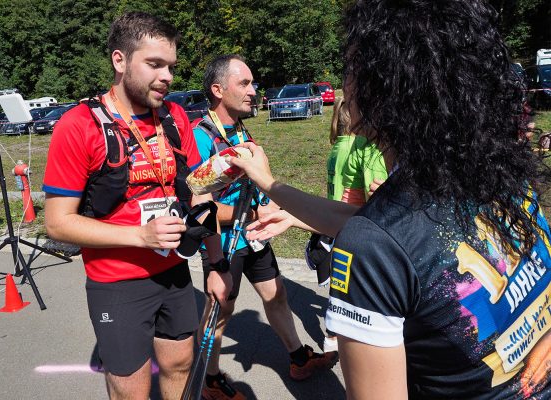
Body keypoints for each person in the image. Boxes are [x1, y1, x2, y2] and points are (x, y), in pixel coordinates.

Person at [228, 1, 551, 398]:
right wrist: (272, 186)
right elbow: (393, 234)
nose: (345, 85)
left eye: (350, 69)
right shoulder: (497, 172)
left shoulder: (374, 245)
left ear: (382, 87)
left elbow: (383, 239)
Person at [42, 12, 231, 400]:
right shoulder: (78, 125)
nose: (168, 76)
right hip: (116, 282)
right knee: (131, 389)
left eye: (172, 67)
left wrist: (217, 264)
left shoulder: (175, 118)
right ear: (119, 60)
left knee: (180, 365)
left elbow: (199, 196)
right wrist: (139, 235)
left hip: (174, 271)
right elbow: (58, 224)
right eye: (155, 64)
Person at [191, 54, 337, 400]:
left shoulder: (240, 128)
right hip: (223, 243)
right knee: (219, 314)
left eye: (252, 83)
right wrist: (253, 219)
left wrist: (270, 210)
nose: (254, 91)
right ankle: (210, 382)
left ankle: (298, 358)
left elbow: (249, 185)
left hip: (253, 235)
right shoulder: (201, 137)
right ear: (218, 89)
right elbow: (200, 207)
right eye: (245, 83)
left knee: (277, 294)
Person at [318, 96, 388, 353]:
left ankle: (332, 336)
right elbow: (374, 187)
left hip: (335, 222)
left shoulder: (336, 147)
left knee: (340, 285)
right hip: (359, 222)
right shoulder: (361, 147)